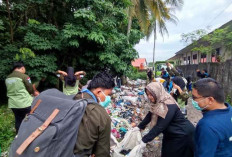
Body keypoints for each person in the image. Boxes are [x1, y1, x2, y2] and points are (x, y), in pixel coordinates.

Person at [133, 82, 195, 157]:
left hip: (182, 134)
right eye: (147, 94)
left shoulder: (168, 105)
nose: (149, 97)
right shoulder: (158, 102)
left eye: (151, 94)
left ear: (157, 92)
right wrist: (139, 127)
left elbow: (160, 126)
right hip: (171, 133)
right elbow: (150, 114)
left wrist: (144, 140)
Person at [73, 71, 115, 157]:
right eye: (108, 94)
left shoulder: (74, 98)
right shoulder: (101, 115)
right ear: (99, 92)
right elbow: (102, 153)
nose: (108, 98)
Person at [192, 78, 232, 157]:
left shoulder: (207, 126)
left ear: (210, 100)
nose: (193, 101)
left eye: (195, 98)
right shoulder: (229, 110)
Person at [5, 62, 38, 133]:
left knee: (18, 119)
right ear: (22, 68)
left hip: (13, 104)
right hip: (25, 103)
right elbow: (30, 89)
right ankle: (29, 135)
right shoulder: (24, 76)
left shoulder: (8, 78)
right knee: (29, 119)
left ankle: (18, 135)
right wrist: (33, 92)